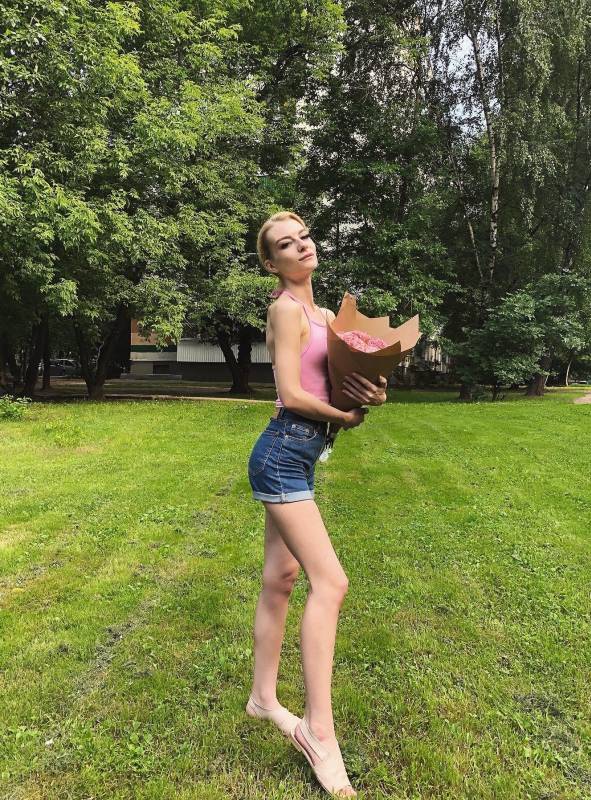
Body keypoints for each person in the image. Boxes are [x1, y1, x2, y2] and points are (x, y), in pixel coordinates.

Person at [246, 211, 387, 797]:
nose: (301, 246)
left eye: (303, 236)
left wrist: (373, 391)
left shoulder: (327, 317)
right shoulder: (285, 310)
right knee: (331, 582)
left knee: (280, 578)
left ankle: (262, 698)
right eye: (286, 244)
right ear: (271, 263)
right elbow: (291, 393)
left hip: (301, 454)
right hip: (281, 454)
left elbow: (342, 383)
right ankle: (318, 731)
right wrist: (343, 417)